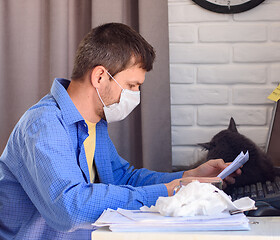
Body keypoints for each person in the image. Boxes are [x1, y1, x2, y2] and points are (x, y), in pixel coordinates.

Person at [0, 23, 241, 240]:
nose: (135, 95)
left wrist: (188, 178)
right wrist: (171, 190)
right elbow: (71, 209)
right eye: (131, 86)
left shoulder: (94, 122)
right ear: (100, 76)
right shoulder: (44, 124)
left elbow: (123, 178)